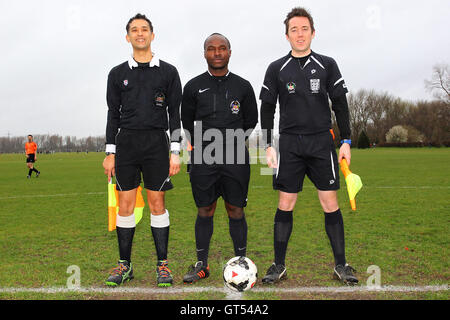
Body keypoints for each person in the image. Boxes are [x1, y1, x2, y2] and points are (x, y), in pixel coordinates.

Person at [259, 7, 358, 285]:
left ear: (313, 33)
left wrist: (346, 140)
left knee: (329, 202)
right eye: (294, 30)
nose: (299, 34)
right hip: (288, 144)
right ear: (287, 35)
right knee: (285, 203)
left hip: (321, 142)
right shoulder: (276, 68)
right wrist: (268, 144)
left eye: (304, 29)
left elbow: (340, 104)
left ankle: (341, 265)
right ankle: (278, 265)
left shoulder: (328, 64)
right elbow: (267, 108)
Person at [102, 13, 182, 287]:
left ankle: (163, 266)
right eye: (134, 30)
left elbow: (175, 113)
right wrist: (110, 152)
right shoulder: (117, 73)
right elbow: (113, 114)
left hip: (156, 144)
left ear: (152, 35)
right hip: (126, 145)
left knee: (157, 203)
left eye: (144, 29)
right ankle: (125, 266)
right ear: (128, 37)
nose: (139, 33)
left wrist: (175, 150)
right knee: (125, 205)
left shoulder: (168, 72)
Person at [181, 33, 258, 284]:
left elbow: (251, 120)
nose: (217, 52)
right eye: (211, 49)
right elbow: (186, 121)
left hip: (235, 156)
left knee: (236, 208)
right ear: (205, 53)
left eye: (222, 48)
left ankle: (241, 263)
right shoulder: (192, 86)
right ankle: (202, 264)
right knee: (205, 208)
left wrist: (232, 141)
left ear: (229, 52)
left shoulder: (243, 86)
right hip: (203, 155)